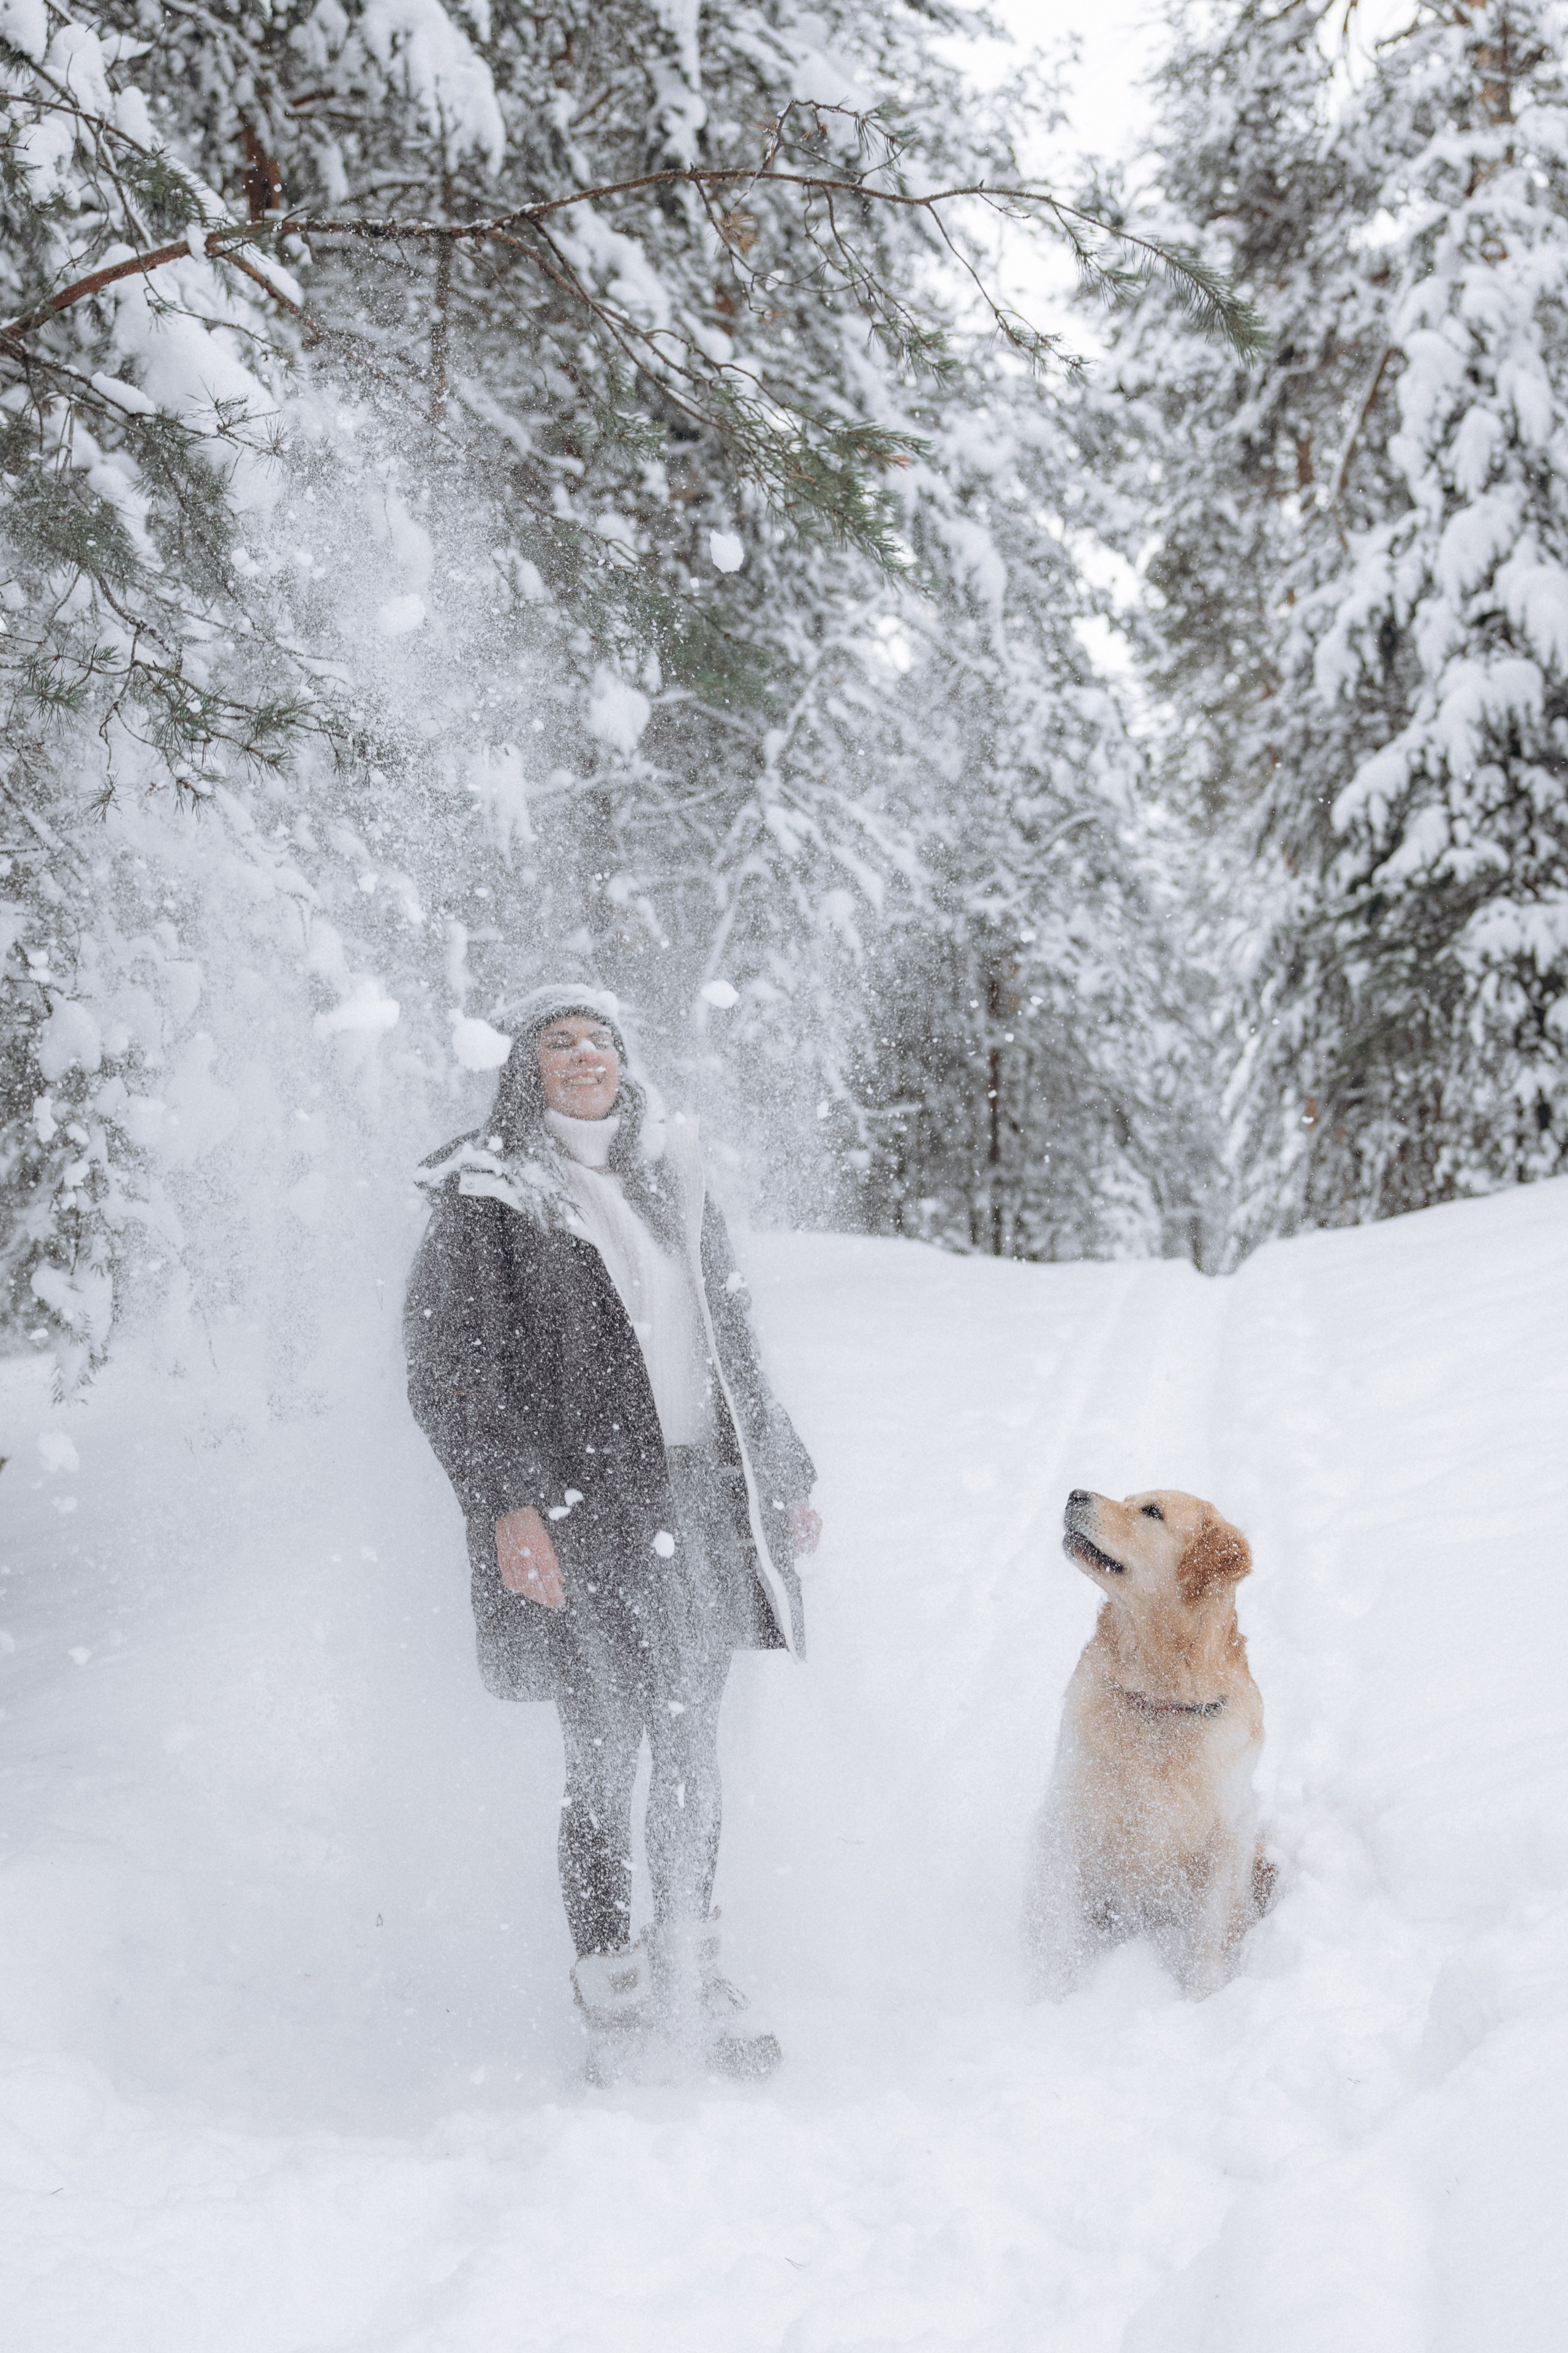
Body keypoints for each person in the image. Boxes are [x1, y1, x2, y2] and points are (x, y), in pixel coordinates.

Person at [404, 984, 820, 2080]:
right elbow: (451, 1369)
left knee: (690, 1745)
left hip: (694, 1500)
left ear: (626, 1061)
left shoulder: (669, 1172)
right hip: (581, 1508)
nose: (585, 1053)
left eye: (601, 1038)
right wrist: (506, 1503)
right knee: (604, 1753)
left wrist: (780, 1470)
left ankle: (696, 1968)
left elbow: (730, 1338)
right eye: (560, 1039)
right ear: (526, 1068)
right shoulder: (488, 1192)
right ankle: (616, 1999)